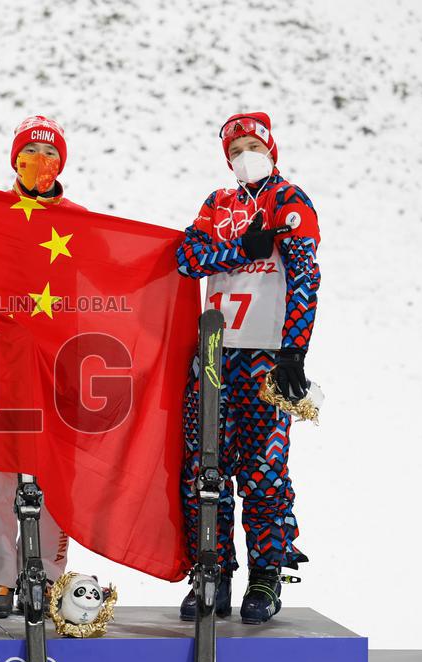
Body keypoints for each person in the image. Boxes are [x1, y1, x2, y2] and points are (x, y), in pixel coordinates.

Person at [175, 112, 321, 624]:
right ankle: (211, 570)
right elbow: (187, 257)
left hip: (263, 355)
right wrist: (238, 248)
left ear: (271, 146)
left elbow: (305, 276)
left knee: (263, 469)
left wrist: (294, 350)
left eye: (252, 143)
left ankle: (266, 573)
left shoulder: (290, 200)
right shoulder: (218, 204)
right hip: (214, 353)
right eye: (235, 148)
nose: (244, 153)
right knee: (203, 469)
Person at [0, 116, 84, 618]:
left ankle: (50, 575)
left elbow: (123, 263)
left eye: (50, 152)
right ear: (13, 160)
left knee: (55, 474)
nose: (40, 161)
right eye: (30, 152)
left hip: (61, 359)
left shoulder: (82, 219)